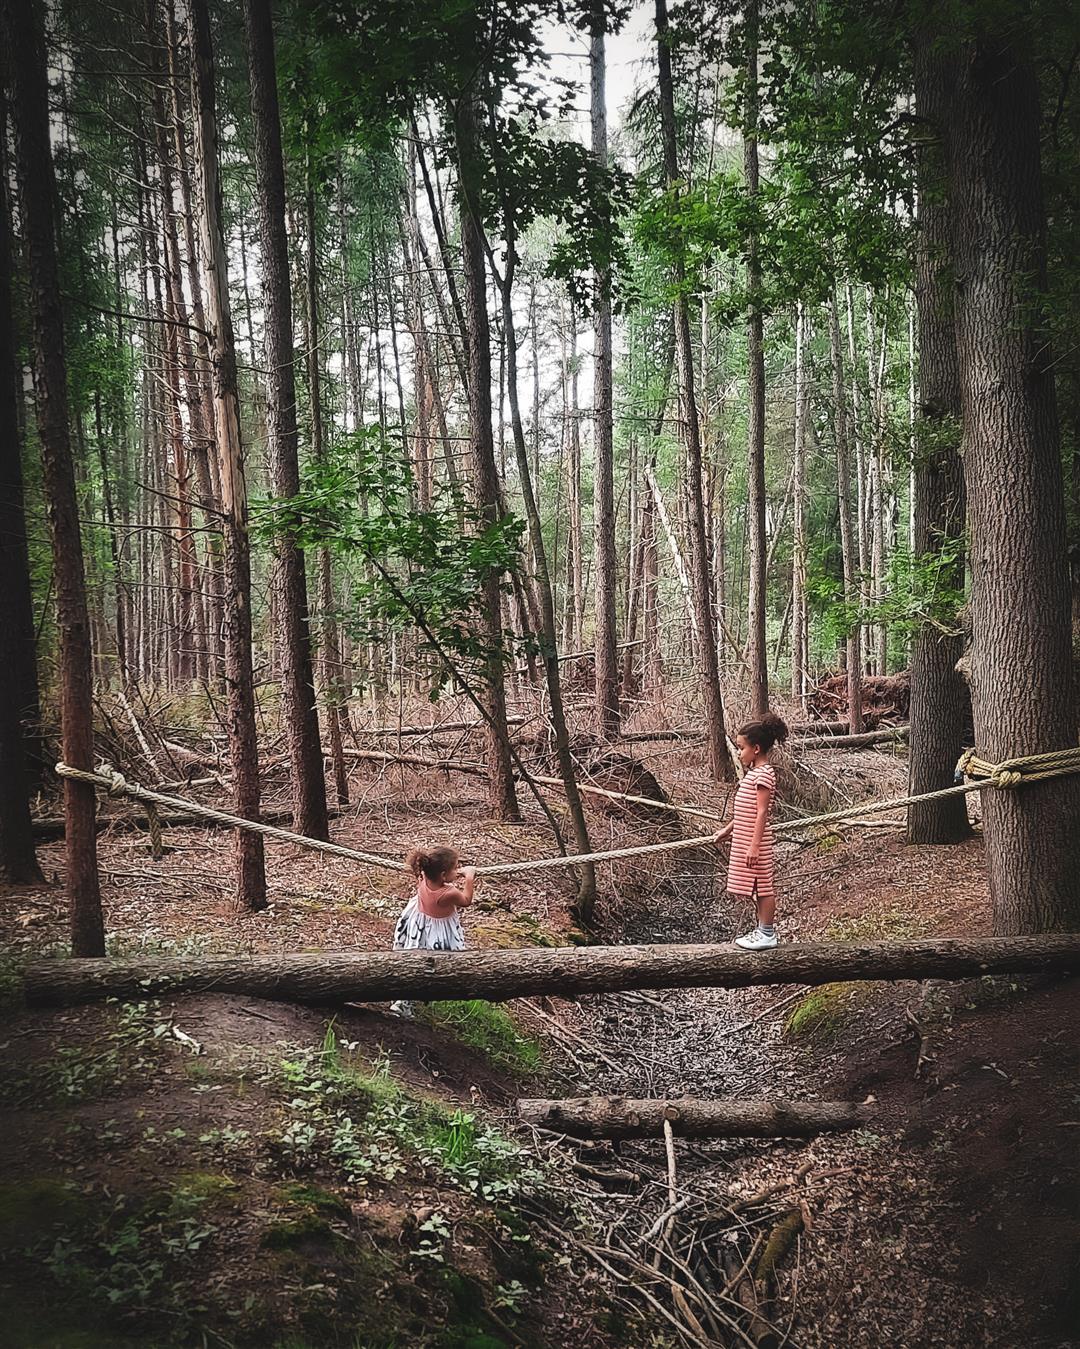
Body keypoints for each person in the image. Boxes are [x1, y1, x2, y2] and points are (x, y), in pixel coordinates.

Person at [713, 712, 788, 950]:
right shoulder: (754, 774)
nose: (738, 753)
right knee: (754, 887)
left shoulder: (764, 774)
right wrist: (727, 830)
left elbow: (762, 812)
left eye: (741, 748)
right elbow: (745, 811)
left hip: (756, 842)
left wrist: (754, 846)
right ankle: (761, 929)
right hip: (745, 839)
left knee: (763, 886)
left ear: (756, 749)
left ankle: (767, 932)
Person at [390, 845, 476, 1017]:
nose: (458, 870)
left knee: (414, 958)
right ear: (443, 875)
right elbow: (466, 900)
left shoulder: (422, 876)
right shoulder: (448, 892)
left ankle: (402, 998)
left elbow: (435, 877)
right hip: (437, 931)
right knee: (435, 964)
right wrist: (469, 877)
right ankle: (410, 998)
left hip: (418, 923)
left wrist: (453, 873)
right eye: (455, 868)